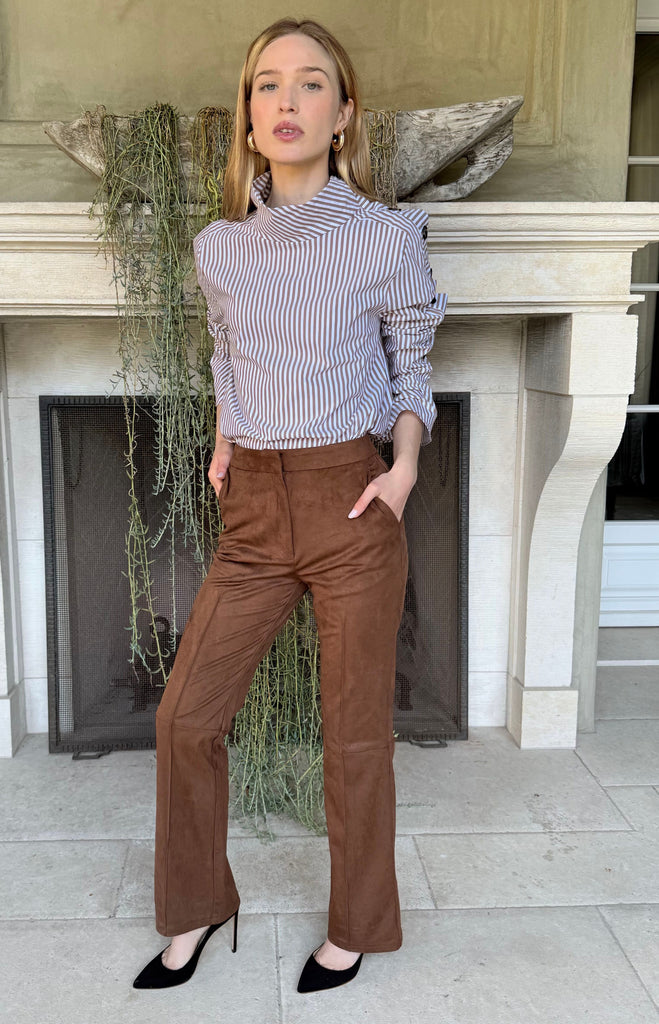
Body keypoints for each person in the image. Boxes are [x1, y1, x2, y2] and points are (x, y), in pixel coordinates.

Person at [133, 15, 447, 995]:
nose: (284, 100)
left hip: (351, 499)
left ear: (343, 113)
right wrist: (228, 439)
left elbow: (412, 373)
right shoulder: (220, 246)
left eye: (309, 84)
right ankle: (195, 905)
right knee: (185, 719)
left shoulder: (384, 236)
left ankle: (353, 928)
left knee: (353, 737)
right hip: (257, 513)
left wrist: (397, 475)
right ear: (247, 112)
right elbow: (230, 357)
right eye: (266, 84)